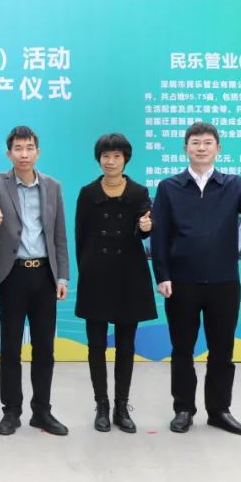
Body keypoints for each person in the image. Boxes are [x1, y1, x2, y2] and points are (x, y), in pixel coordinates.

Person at [151, 122, 241, 436]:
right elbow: (159, 236)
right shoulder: (169, 187)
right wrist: (162, 275)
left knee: (222, 350)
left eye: (207, 142)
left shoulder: (232, 184)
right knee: (182, 349)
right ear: (186, 149)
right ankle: (183, 409)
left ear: (218, 148)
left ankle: (219, 410)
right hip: (182, 282)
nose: (201, 148)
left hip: (223, 283)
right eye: (195, 142)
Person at [0, 125, 70, 437]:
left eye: (29, 148)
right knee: (10, 347)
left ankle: (42, 411)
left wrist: (62, 276)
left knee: (44, 349)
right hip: (12, 275)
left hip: (44, 276)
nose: (24, 154)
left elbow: (59, 235)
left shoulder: (53, 186)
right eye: (18, 148)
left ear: (37, 152)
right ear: (9, 153)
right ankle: (11, 411)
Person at [73, 134, 156, 433]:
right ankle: (102, 406)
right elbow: (80, 237)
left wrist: (146, 227)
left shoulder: (139, 192)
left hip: (129, 277)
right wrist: (86, 270)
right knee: (96, 345)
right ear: (99, 159)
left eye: (116, 156)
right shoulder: (87, 193)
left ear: (125, 159)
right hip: (96, 276)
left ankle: (122, 406)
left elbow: (146, 229)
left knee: (126, 345)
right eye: (105, 156)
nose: (110, 161)